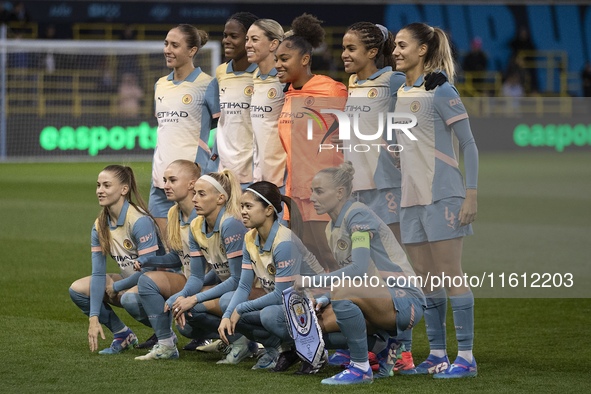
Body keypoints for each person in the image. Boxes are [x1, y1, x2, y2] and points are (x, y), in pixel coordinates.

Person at [339, 21, 448, 374]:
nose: (343, 54)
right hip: (358, 192)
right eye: (343, 47)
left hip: (388, 190)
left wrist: (442, 81)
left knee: (400, 272)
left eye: (352, 48)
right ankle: (383, 346)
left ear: (373, 52)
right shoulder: (353, 84)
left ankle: (407, 350)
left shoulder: (394, 81)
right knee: (370, 273)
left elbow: (426, 91)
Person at [393, 22, 479, 378]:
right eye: (394, 45)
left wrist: (470, 194)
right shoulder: (403, 90)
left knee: (450, 274)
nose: (395, 51)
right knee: (426, 278)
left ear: (422, 50)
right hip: (411, 197)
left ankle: (467, 359)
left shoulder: (441, 90)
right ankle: (438, 354)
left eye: (402, 45)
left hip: (442, 194)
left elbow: (469, 144)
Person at [291, 162, 425, 385]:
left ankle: (361, 368)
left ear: (341, 192)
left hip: (404, 300)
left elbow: (358, 269)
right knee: (318, 325)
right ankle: (384, 350)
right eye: (312, 191)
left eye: (319, 191)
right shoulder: (331, 227)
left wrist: (310, 281)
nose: (312, 197)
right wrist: (325, 298)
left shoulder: (358, 215)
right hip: (376, 299)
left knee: (342, 292)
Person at [218, 181, 325, 371]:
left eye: (248, 206)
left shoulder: (284, 242)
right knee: (227, 302)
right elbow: (243, 286)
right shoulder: (249, 237)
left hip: (316, 303)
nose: (242, 211)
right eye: (242, 206)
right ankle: (274, 350)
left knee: (267, 315)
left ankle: (310, 347)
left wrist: (240, 309)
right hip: (287, 303)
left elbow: (280, 293)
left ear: (268, 210)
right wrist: (227, 315)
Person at [276, 13, 347, 272]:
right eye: (276, 60)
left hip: (322, 194)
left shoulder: (331, 90)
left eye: (284, 59)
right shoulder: (288, 93)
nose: (278, 65)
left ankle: (357, 310)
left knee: (332, 261)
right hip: (294, 194)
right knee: (308, 264)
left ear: (305, 59)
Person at [68, 165, 165, 354]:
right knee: (77, 290)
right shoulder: (100, 225)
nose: (100, 191)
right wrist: (93, 317)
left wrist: (118, 287)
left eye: (106, 185)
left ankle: (165, 333)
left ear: (124, 189)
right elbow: (98, 273)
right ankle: (122, 335)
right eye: (98, 185)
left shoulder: (139, 221)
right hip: (132, 282)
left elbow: (149, 271)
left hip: (158, 284)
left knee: (129, 298)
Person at [167, 169, 255, 364]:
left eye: (202, 194)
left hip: (256, 289)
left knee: (221, 301)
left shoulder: (230, 223)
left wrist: (194, 298)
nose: (195, 199)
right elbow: (197, 277)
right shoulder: (196, 225)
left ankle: (243, 343)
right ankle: (231, 339)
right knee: (186, 322)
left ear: (220, 198)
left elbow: (238, 280)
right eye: (194, 193)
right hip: (235, 288)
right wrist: (179, 297)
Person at [150, 24, 220, 240]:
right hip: (160, 181)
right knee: (166, 250)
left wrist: (208, 165)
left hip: (192, 181)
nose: (167, 50)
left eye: (175, 45)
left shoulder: (208, 85)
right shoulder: (160, 85)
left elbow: (222, 129)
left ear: (192, 51)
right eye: (166, 44)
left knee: (194, 251)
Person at [132, 160, 201, 359]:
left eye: (172, 180)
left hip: (209, 284)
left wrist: (189, 295)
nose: (166, 186)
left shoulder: (204, 214)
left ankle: (236, 339)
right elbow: (177, 258)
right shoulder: (173, 213)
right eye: (164, 180)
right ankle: (166, 344)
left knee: (190, 324)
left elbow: (217, 267)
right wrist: (148, 261)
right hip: (191, 280)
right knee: (136, 292)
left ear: (191, 184)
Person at [215, 12, 259, 187]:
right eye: (225, 35)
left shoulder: (263, 74)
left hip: (253, 172)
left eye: (234, 36)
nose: (226, 40)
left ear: (249, 40)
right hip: (223, 173)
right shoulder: (220, 72)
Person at [245, 19, 287, 189]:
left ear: (273, 44)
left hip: (282, 177)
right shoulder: (254, 77)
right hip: (259, 175)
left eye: (254, 39)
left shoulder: (285, 80)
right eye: (247, 39)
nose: (247, 44)